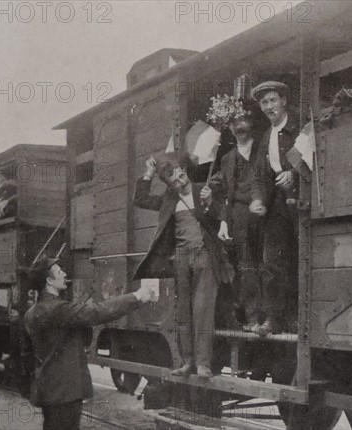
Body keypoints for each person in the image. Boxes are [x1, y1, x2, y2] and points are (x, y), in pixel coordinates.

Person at [23, 256, 153, 430]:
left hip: (49, 390)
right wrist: (136, 297)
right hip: (65, 394)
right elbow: (98, 312)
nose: (65, 274)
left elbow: (27, 355)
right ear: (49, 281)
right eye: (60, 272)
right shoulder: (56, 309)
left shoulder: (31, 313)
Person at [133, 150, 226, 378]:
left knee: (202, 310)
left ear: (185, 171)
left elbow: (223, 213)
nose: (180, 181)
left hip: (204, 254)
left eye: (181, 175)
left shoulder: (203, 190)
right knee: (183, 310)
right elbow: (141, 199)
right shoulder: (169, 199)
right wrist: (148, 173)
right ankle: (188, 361)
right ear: (169, 185)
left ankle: (203, 364)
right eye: (174, 180)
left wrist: (210, 202)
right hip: (181, 257)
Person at [249, 81, 310, 337]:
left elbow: (312, 156)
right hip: (277, 206)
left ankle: (300, 318)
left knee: (302, 257)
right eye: (264, 103)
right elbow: (260, 176)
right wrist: (258, 199)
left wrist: (293, 176)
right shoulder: (266, 137)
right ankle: (274, 319)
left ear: (284, 101)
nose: (269, 107)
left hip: (302, 200)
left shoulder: (301, 128)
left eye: (273, 100)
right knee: (272, 262)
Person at [217, 115, 264, 332]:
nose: (239, 126)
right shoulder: (227, 159)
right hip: (238, 215)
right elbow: (228, 194)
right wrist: (225, 222)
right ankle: (251, 318)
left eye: (244, 120)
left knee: (268, 263)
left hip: (264, 211)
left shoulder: (264, 146)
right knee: (246, 266)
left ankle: (270, 315)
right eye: (234, 123)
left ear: (251, 123)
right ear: (229, 127)